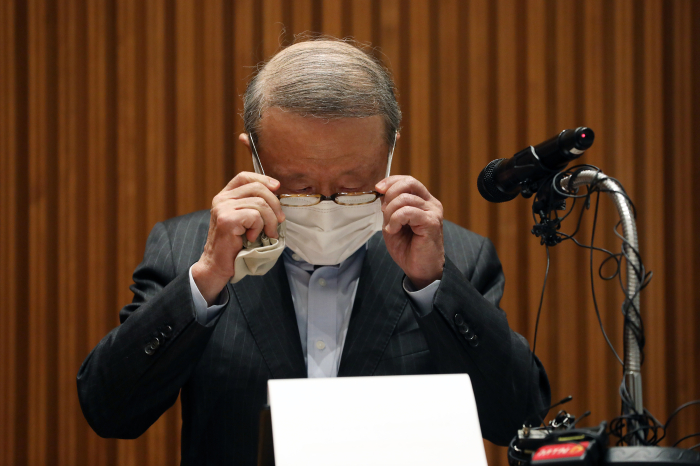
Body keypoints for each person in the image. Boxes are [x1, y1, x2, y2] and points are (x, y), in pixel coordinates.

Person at [78, 38, 550, 465]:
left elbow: (517, 418)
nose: (326, 206)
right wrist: (205, 280)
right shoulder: (185, 250)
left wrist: (433, 287)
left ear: (390, 152)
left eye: (353, 186)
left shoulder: (457, 258)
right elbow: (109, 412)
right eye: (299, 187)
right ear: (254, 157)